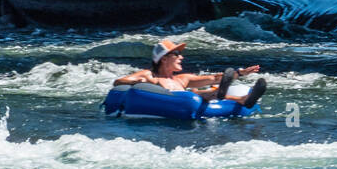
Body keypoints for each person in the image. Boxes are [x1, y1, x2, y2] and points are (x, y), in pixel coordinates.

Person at [113, 38, 267, 107]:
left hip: (188, 100)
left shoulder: (182, 79)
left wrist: (240, 73)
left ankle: (241, 99)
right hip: (167, 102)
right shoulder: (149, 75)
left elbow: (213, 77)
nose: (181, 57)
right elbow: (118, 82)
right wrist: (138, 83)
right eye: (176, 55)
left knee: (199, 90)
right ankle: (235, 98)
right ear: (164, 59)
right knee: (193, 93)